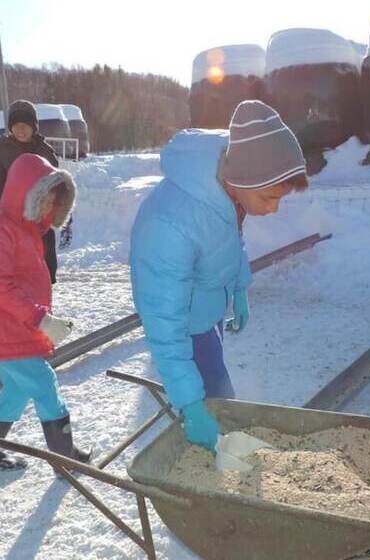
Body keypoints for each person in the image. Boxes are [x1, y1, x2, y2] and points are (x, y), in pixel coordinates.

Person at [129, 100, 309, 453]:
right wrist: (191, 404)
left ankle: (220, 443)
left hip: (207, 316)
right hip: (185, 328)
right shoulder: (170, 226)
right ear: (240, 181)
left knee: (220, 397)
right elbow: (164, 326)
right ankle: (209, 469)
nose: (274, 208)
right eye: (269, 197)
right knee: (211, 403)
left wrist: (238, 289)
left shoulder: (227, 191)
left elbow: (229, 243)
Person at [0, 153, 91, 471]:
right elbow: (1, 289)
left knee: (17, 390)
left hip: (10, 325)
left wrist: (39, 318)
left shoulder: (24, 229)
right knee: (44, 384)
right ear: (25, 194)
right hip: (1, 327)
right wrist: (42, 320)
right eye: (44, 199)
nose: (49, 207)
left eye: (53, 201)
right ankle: (65, 459)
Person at [0, 99, 72, 284]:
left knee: (45, 272)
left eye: (25, 125)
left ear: (34, 126)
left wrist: (61, 214)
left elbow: (56, 187)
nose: (20, 129)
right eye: (16, 125)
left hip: (41, 222)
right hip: (13, 221)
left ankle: (44, 304)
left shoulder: (45, 151)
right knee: (19, 273)